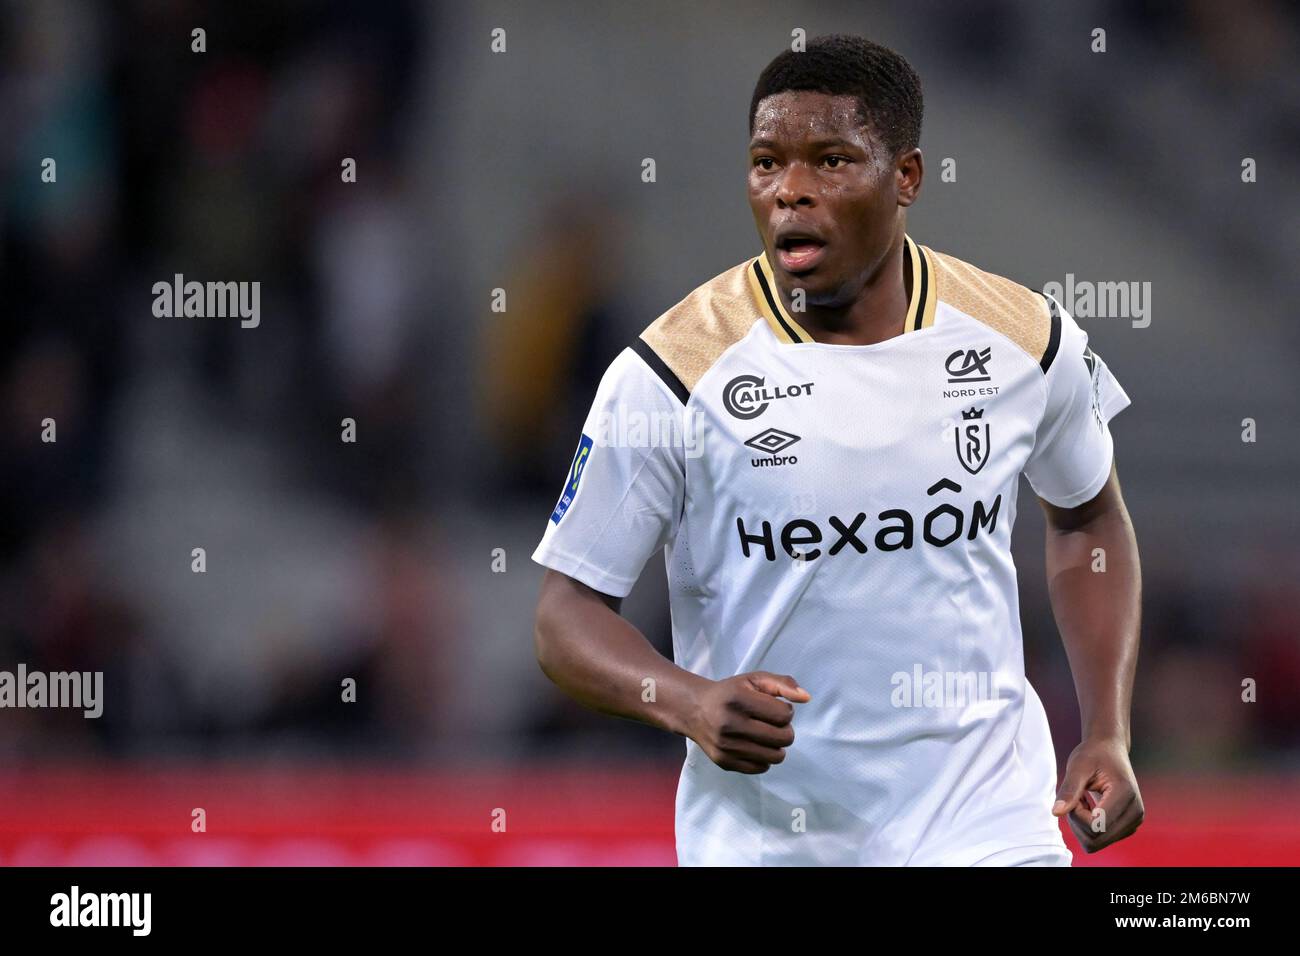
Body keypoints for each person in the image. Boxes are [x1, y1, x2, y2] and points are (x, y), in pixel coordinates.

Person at [531, 34, 1142, 866]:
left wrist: (1107, 729)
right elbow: (566, 614)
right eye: (766, 162)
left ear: (907, 178)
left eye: (830, 161)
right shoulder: (670, 372)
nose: (791, 192)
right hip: (767, 842)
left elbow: (1088, 521)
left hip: (988, 826)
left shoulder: (1023, 339)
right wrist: (687, 701)